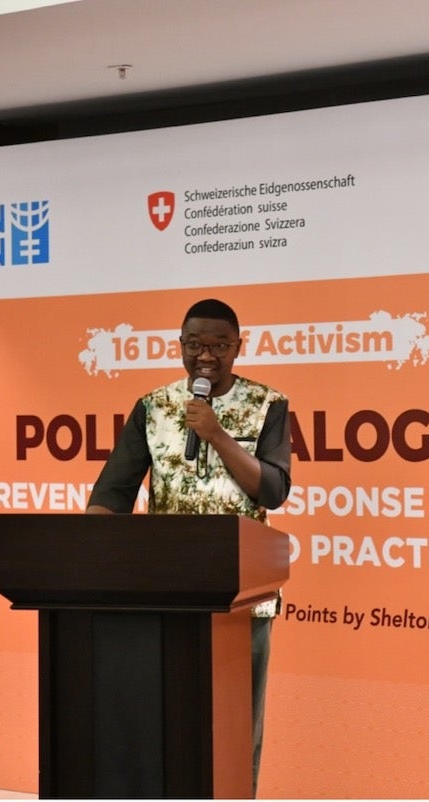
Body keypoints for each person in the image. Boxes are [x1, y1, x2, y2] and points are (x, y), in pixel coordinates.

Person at [87, 297, 292, 796]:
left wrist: (217, 433)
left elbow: (273, 490)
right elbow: (111, 494)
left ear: (237, 347)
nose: (206, 355)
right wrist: (86, 552)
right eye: (195, 344)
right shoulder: (152, 407)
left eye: (219, 345)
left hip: (244, 598)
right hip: (168, 593)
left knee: (237, 725)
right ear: (179, 346)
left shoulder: (269, 403)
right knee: (168, 719)